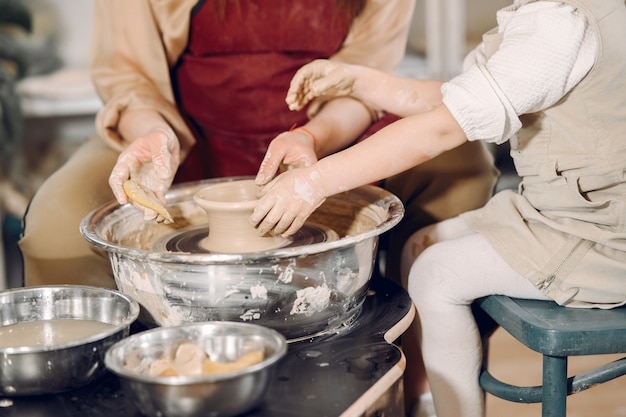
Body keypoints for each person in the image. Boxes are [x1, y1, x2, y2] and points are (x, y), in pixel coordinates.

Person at [251, 1, 626, 416]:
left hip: (604, 237)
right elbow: (451, 100)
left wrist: (314, 182)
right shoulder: (542, 17)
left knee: (436, 274)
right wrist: (358, 81)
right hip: (561, 212)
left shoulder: (558, 26)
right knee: (420, 246)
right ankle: (425, 396)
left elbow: (443, 128)